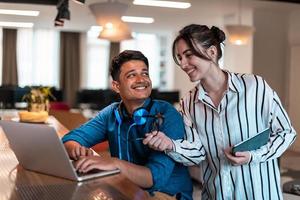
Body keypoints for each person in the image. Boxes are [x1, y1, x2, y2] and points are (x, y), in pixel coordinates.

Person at [143, 24, 297, 200]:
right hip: (216, 194)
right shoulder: (189, 102)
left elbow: (286, 132)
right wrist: (170, 144)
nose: (183, 64)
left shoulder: (254, 86)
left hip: (259, 193)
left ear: (212, 52)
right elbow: (197, 152)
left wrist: (253, 156)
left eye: (188, 55)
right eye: (179, 58)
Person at [62, 50, 193, 200]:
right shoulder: (111, 113)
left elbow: (154, 178)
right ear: (116, 86)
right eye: (131, 75)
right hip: (127, 189)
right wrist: (77, 150)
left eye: (145, 73)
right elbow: (69, 139)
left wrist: (115, 163)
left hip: (165, 195)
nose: (141, 79)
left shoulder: (167, 114)